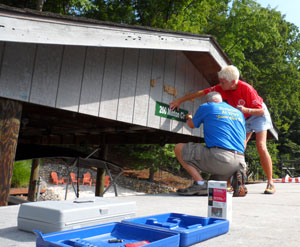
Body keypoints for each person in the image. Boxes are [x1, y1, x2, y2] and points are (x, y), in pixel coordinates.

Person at [170, 65, 275, 194]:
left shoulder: (247, 89)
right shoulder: (221, 87)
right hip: (241, 116)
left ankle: (270, 183)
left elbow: (261, 110)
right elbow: (201, 93)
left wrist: (246, 110)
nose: (220, 84)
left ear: (233, 82)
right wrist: (180, 100)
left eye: (223, 82)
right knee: (240, 146)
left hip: (256, 114)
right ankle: (234, 178)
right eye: (220, 81)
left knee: (261, 145)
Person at [174, 92, 246, 196]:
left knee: (179, 148)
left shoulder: (207, 106)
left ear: (208, 101)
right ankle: (233, 178)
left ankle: (200, 183)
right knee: (213, 185)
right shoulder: (239, 113)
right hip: (240, 161)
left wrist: (189, 117)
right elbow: (243, 141)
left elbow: (192, 125)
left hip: (221, 158)